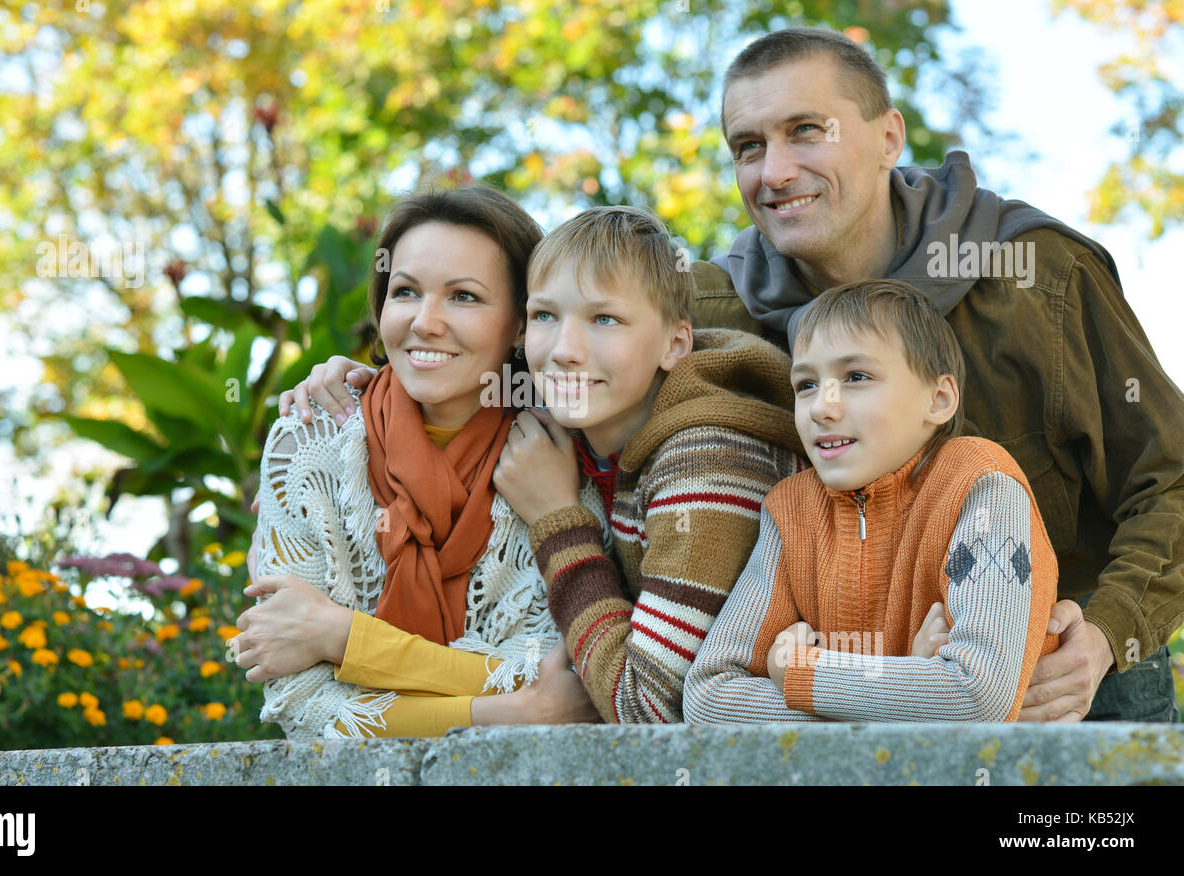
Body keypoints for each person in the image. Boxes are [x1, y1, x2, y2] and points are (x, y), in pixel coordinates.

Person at [283, 26, 1184, 723]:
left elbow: (1170, 477)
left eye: (805, 132)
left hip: (1065, 680)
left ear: (886, 135)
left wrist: (1105, 635)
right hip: (836, 689)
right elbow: (567, 325)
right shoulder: (718, 298)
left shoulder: (1035, 276)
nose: (775, 170)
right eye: (748, 146)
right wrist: (387, 370)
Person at [235, 186, 602, 740]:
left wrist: (343, 638)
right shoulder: (308, 444)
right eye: (405, 292)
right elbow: (301, 703)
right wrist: (513, 713)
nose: (425, 322)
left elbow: (561, 676)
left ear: (522, 324)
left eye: (464, 297)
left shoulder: (561, 452)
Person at [480, 205, 805, 722]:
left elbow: (649, 709)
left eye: (604, 319)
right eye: (545, 315)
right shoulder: (586, 420)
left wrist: (555, 521)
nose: (564, 350)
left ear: (675, 343)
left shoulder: (709, 460)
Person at [684, 279, 1060, 722]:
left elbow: (978, 697)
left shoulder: (982, 484)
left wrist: (802, 675)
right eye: (805, 384)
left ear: (939, 400)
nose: (821, 407)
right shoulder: (790, 511)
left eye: (856, 377)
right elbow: (708, 699)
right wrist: (907, 685)